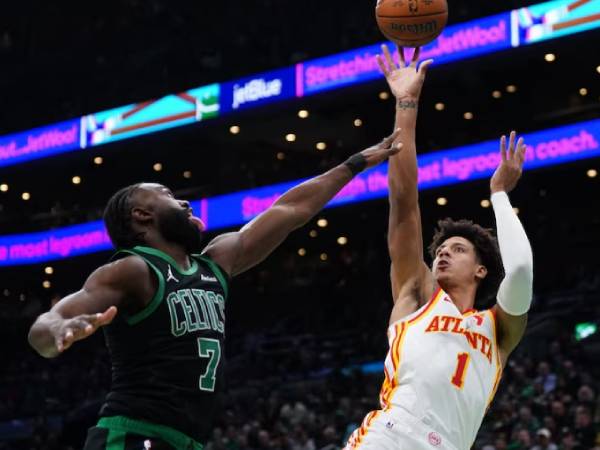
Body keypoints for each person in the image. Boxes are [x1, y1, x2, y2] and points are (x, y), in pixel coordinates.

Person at [28, 134, 401, 450]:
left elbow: (291, 209)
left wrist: (355, 163)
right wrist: (57, 333)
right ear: (142, 216)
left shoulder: (216, 262)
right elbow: (46, 325)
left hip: (190, 440)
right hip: (134, 435)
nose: (186, 202)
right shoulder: (133, 269)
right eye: (169, 195)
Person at [344, 45, 534, 450]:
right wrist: (406, 104)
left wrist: (499, 193)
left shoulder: (498, 331)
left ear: (481, 269)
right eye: (441, 249)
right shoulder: (417, 291)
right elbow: (404, 202)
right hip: (390, 436)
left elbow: (519, 271)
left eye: (459, 249)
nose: (443, 253)